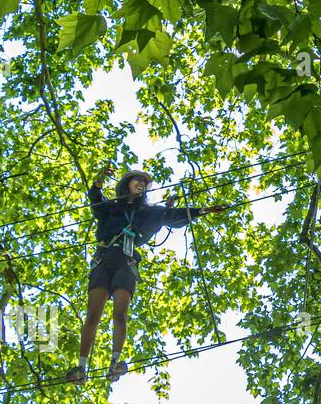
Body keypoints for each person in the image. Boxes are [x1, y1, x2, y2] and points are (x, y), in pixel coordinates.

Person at [65, 165, 226, 385]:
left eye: (144, 182)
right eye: (136, 180)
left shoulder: (150, 212)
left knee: (120, 314)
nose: (140, 183)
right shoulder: (110, 208)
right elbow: (95, 197)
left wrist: (204, 210)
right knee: (93, 313)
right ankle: (81, 367)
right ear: (127, 184)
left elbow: (174, 215)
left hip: (126, 260)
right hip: (103, 258)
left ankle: (115, 362)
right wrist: (99, 179)